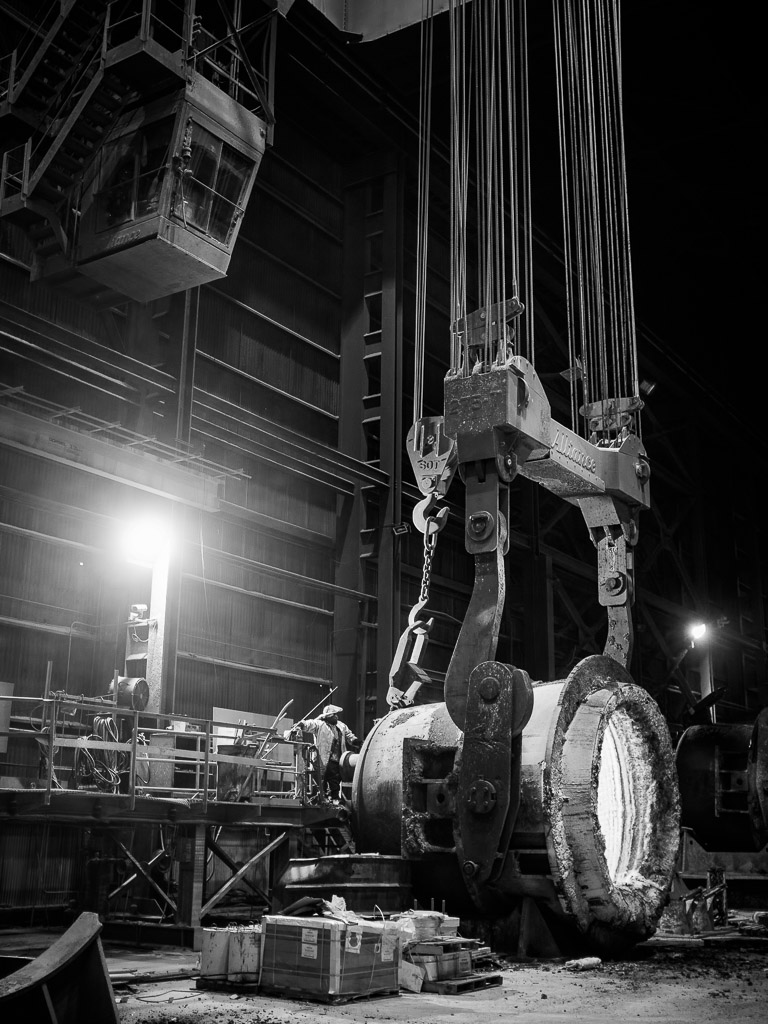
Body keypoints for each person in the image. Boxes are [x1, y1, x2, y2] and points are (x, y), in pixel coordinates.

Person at [286, 704, 359, 802]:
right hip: (322, 758)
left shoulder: (341, 726)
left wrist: (356, 741)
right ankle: (321, 799)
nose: (336, 717)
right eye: (334, 715)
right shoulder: (320, 725)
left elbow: (349, 735)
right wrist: (301, 725)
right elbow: (309, 724)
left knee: (335, 780)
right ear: (328, 717)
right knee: (321, 781)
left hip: (336, 759)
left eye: (336, 715)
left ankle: (335, 798)